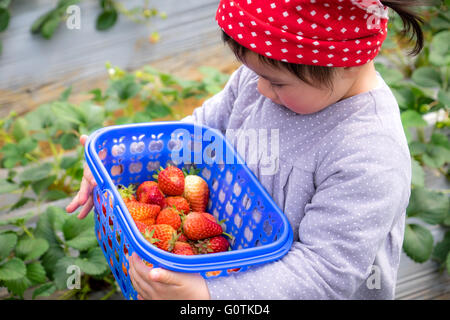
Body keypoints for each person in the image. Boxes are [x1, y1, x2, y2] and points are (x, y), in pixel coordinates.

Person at [66, 0, 429, 299]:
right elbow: (195, 135)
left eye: (275, 82)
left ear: (343, 64)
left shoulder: (368, 153)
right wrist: (113, 161)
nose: (259, 90)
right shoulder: (265, 80)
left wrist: (208, 297)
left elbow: (324, 274)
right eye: (253, 73)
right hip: (227, 264)